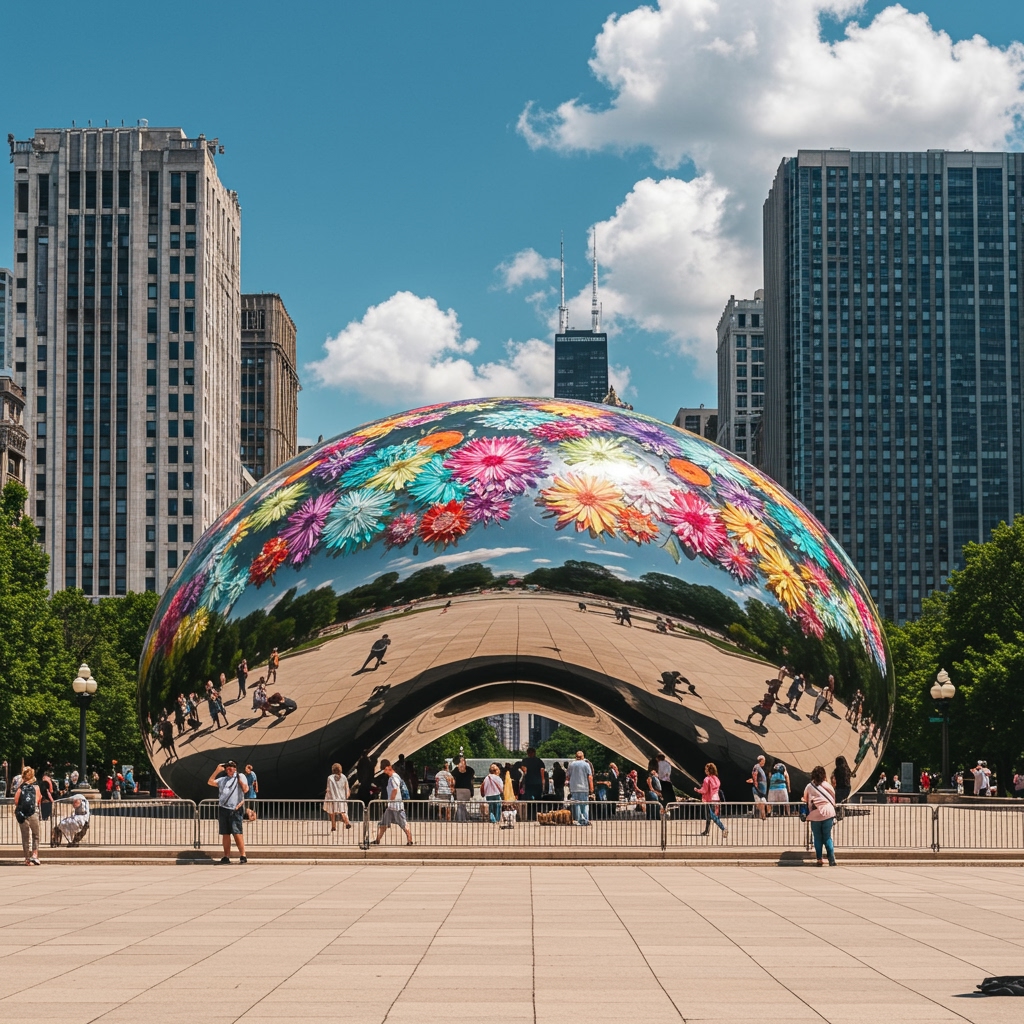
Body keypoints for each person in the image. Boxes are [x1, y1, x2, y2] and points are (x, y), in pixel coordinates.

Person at [207, 761, 249, 864]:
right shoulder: (223, 780)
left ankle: (243, 855)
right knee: (225, 833)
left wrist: (239, 780)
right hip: (223, 808)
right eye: (227, 768)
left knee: (237, 832)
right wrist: (217, 770)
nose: (230, 769)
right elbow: (210, 782)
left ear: (235, 768)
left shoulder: (240, 776)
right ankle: (226, 856)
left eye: (232, 767)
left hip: (235, 809)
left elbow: (245, 789)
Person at [371, 760, 413, 845]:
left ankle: (410, 840)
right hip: (391, 807)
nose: (384, 772)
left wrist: (391, 800)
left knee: (403, 823)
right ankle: (377, 840)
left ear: (387, 768)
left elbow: (395, 789)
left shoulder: (394, 777)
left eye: (384, 770)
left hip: (396, 806)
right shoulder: (393, 777)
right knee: (383, 823)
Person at [804, 765, 837, 867]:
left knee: (817, 838)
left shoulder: (809, 786)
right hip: (828, 812)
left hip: (815, 814)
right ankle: (831, 859)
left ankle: (819, 859)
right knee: (827, 837)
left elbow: (806, 799)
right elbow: (833, 798)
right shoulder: (828, 786)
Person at [12, 767, 42, 866]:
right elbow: (38, 800)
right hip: (34, 813)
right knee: (36, 835)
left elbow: (16, 801)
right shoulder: (36, 787)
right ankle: (35, 855)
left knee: (25, 837)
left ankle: (27, 858)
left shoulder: (20, 788)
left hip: (23, 815)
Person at [695, 762, 727, 837]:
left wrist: (697, 790)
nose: (705, 771)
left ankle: (723, 828)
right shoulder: (716, 779)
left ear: (708, 770)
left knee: (712, 816)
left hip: (710, 799)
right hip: (717, 799)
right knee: (710, 816)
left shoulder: (707, 779)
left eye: (706, 769)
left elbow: (704, 790)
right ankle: (706, 830)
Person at [568, 751, 594, 825]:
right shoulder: (586, 764)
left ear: (576, 756)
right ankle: (585, 820)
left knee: (577, 805)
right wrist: (591, 787)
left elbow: (568, 776)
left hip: (574, 788)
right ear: (582, 756)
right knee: (585, 804)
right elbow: (590, 776)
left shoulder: (571, 764)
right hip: (584, 787)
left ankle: (579, 820)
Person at [324, 763, 352, 830]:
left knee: (332, 812)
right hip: (341, 797)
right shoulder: (343, 777)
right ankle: (347, 822)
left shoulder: (330, 778)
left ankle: (333, 826)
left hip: (332, 797)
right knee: (343, 811)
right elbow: (346, 787)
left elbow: (329, 788)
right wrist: (346, 795)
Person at [452, 756, 475, 822]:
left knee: (461, 805)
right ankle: (463, 818)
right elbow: (471, 781)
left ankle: (461, 818)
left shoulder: (455, 771)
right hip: (466, 789)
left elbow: (453, 781)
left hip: (460, 789)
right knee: (462, 805)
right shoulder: (470, 770)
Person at [748, 755, 769, 820]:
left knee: (763, 802)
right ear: (761, 760)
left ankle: (763, 815)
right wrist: (756, 784)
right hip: (758, 789)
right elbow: (754, 775)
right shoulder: (756, 767)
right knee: (759, 803)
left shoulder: (760, 768)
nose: (764, 762)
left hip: (762, 790)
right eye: (763, 761)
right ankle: (762, 815)